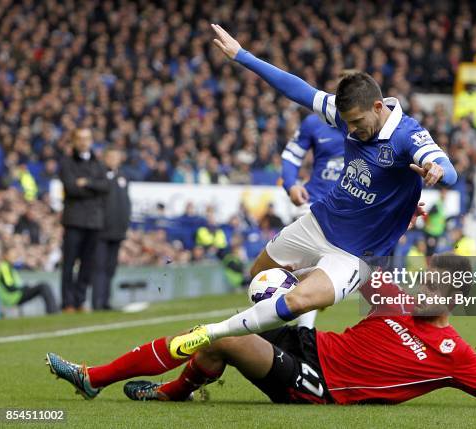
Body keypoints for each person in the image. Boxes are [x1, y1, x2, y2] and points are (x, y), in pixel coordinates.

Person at [165, 24, 458, 359]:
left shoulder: (408, 136)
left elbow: (446, 169)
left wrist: (437, 170)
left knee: (297, 301)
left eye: (357, 121)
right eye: (346, 122)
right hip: (319, 222)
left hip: (355, 253)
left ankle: (210, 334)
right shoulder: (347, 115)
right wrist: (242, 56)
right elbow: (297, 89)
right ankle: (285, 319)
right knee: (258, 278)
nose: (350, 130)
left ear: (379, 107)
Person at [45, 254, 476, 410]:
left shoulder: (455, 352)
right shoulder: (394, 302)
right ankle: (174, 391)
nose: (420, 289)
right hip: (312, 346)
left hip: (319, 386)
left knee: (221, 337)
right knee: (245, 318)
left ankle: (100, 378)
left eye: (434, 287)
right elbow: (356, 265)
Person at [281, 72, 350, 329]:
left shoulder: (371, 127)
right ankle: (303, 333)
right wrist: (291, 185)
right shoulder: (314, 123)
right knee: (310, 266)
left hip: (350, 211)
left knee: (323, 276)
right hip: (314, 203)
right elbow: (291, 155)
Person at [59, 128, 109, 312]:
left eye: (87, 138)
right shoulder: (67, 162)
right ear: (73, 140)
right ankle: (67, 302)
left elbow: (105, 186)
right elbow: (72, 188)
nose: (83, 141)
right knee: (69, 263)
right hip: (73, 220)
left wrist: (86, 182)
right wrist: (93, 187)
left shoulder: (98, 163)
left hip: (94, 221)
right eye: (79, 138)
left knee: (87, 263)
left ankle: (80, 300)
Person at [91, 146, 131, 311]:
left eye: (117, 157)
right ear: (105, 158)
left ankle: (106, 301)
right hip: (101, 230)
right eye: (112, 157)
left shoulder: (122, 176)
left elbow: (126, 203)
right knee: (99, 267)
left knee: (110, 267)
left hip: (118, 230)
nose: (115, 160)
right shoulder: (98, 174)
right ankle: (97, 302)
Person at [0, 245, 58, 315]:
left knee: (42, 286)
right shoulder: (4, 267)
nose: (14, 256)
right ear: (5, 255)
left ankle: (53, 311)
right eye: (12, 254)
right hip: (13, 297)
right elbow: (9, 286)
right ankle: (53, 312)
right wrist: (24, 288)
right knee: (43, 286)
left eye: (15, 254)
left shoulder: (9, 267)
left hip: (15, 295)